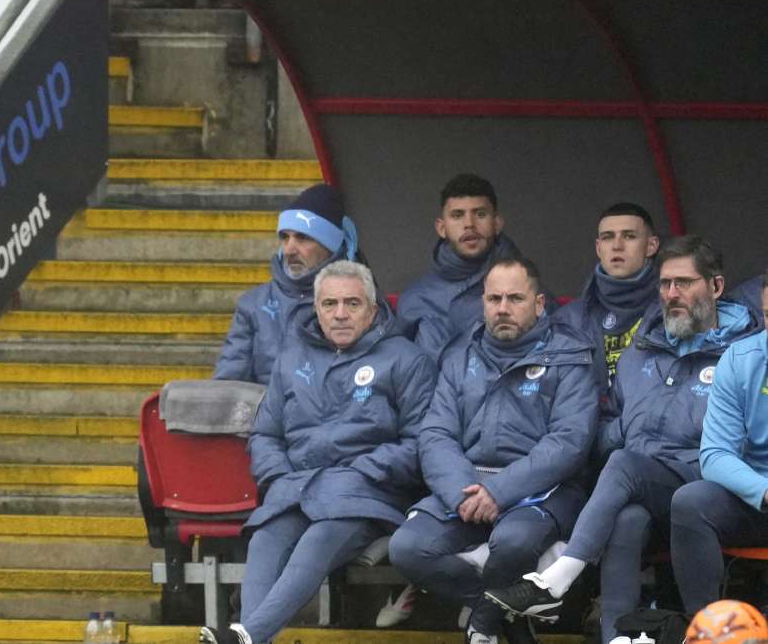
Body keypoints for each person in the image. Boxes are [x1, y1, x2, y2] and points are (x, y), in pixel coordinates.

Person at [486, 236, 761, 644]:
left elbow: (734, 445)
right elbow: (611, 418)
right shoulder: (641, 348)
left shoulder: (742, 353)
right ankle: (615, 637)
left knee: (626, 467)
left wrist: (641, 451)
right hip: (650, 483)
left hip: (715, 486)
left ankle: (557, 581)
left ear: (716, 287)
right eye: (665, 284)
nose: (672, 294)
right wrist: (625, 436)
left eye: (684, 283)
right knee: (627, 515)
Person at [199, 260, 436, 644]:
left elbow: (421, 443)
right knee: (265, 538)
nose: (340, 314)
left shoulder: (406, 360)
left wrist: (362, 472)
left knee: (318, 540)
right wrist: (277, 476)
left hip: (366, 495)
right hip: (295, 488)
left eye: (352, 304)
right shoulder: (292, 359)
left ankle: (248, 636)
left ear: (372, 310)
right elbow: (264, 434)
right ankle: (250, 638)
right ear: (317, 309)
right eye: (329, 305)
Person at [389, 257, 597, 644]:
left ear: (539, 304)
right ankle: (512, 614)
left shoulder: (570, 356)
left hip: (543, 491)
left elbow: (568, 442)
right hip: (466, 487)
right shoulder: (460, 354)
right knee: (407, 547)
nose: (502, 308)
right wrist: (461, 492)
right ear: (483, 303)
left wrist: (499, 492)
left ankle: (484, 625)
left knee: (513, 543)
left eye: (515, 298)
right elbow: (435, 434)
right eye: (494, 298)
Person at [669, 273, 768, 619]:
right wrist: (764, 490)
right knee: (691, 501)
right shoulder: (741, 359)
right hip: (760, 497)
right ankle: (708, 629)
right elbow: (714, 455)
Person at [214, 183, 363, 385]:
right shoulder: (253, 304)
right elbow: (227, 385)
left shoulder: (362, 302)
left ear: (330, 246)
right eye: (285, 237)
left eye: (302, 238)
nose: (289, 249)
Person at [397, 174, 544, 363]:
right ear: (441, 228)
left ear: (497, 223)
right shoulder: (415, 298)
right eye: (457, 215)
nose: (469, 224)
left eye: (480, 214)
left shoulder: (530, 289)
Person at [554, 202, 660, 395]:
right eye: (607, 237)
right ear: (598, 248)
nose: (617, 246)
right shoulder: (566, 321)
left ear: (651, 245)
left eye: (629, 236)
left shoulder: (674, 310)